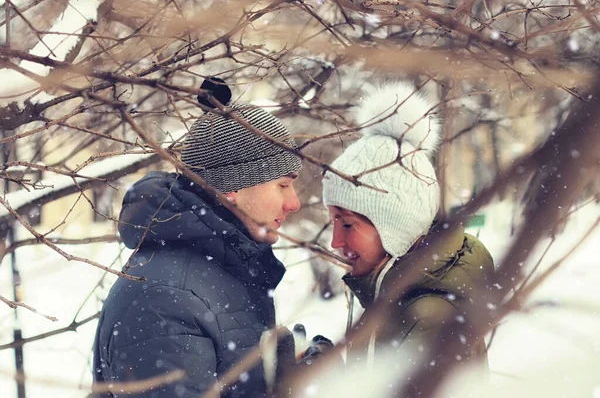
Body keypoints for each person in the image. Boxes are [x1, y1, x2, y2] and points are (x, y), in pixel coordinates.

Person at [92, 78, 302, 397]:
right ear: (233, 186)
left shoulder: (223, 270)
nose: (294, 203)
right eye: (283, 185)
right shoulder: (165, 298)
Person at [321, 82, 495, 389]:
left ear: (397, 227)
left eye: (347, 224)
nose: (335, 241)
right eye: (333, 222)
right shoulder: (395, 295)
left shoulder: (431, 318)